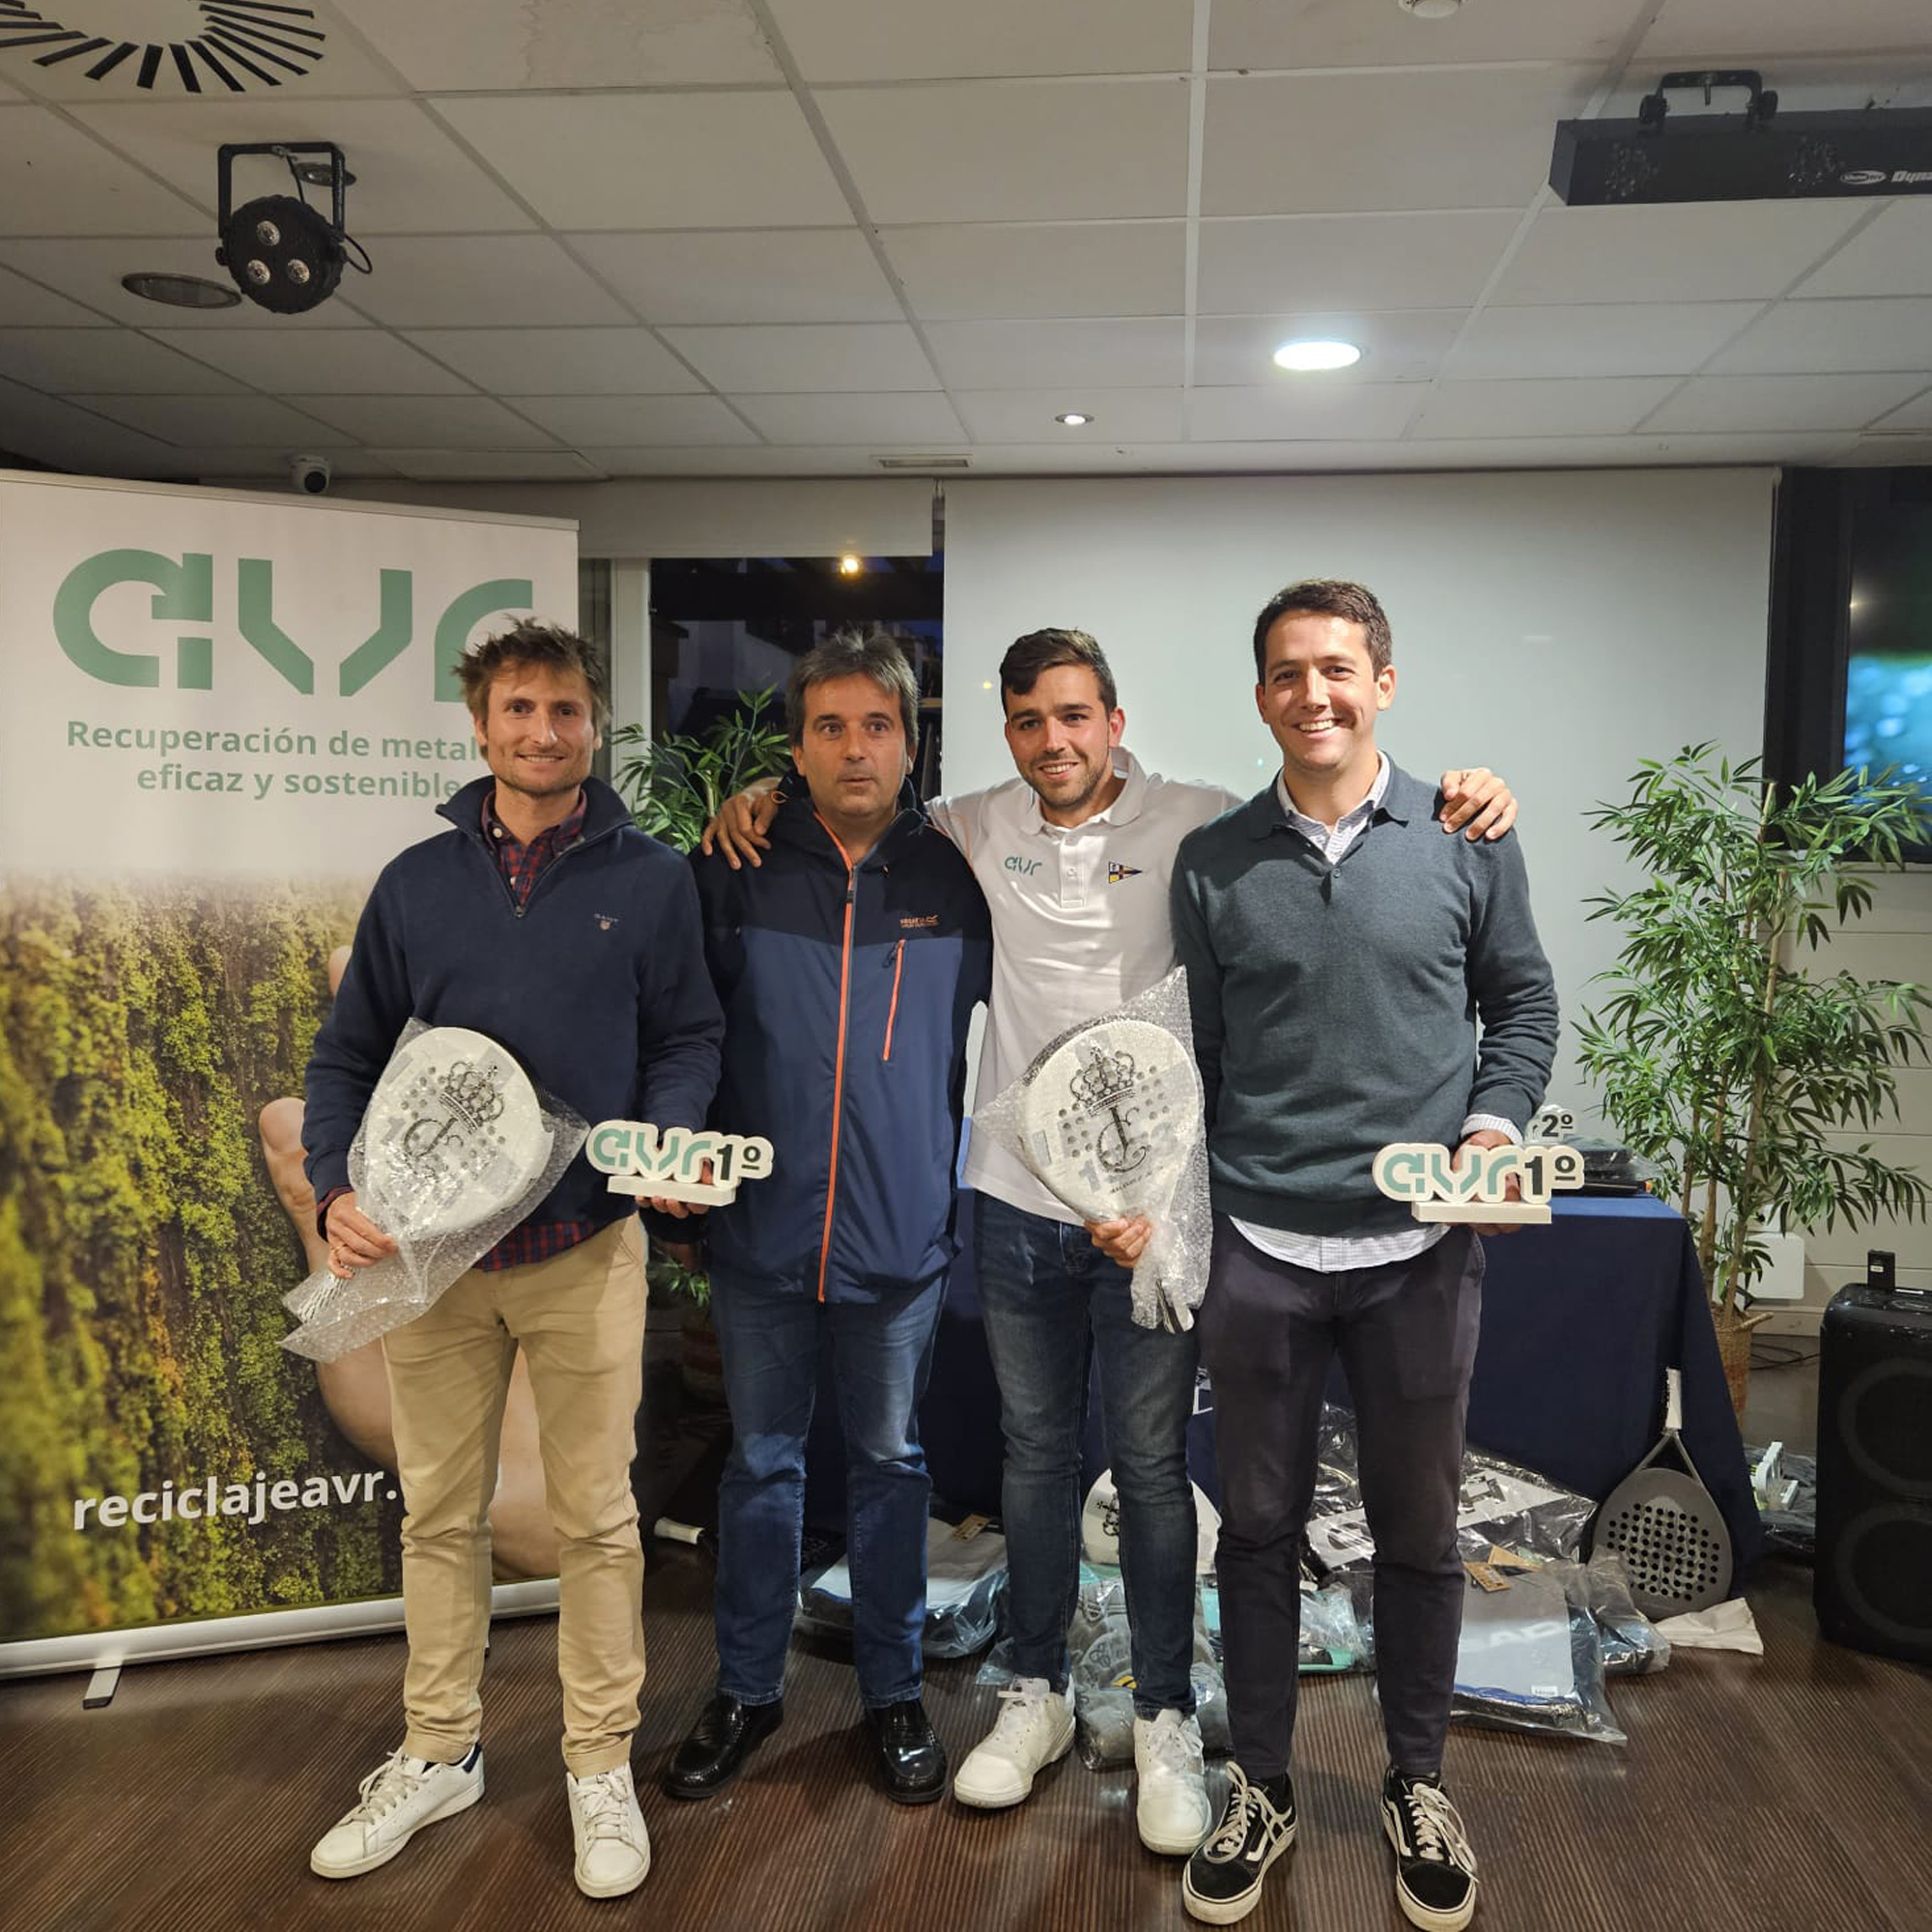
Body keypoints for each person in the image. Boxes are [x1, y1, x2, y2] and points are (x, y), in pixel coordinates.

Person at [704, 627, 1518, 1857]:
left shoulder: (1198, 823)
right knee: (1033, 1455)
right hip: (1014, 1200)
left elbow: (1322, 812)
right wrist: (758, 794)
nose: (1054, 740)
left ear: (1114, 720)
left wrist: (1467, 789)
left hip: (1154, 1215)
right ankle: (1030, 1688)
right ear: (1004, 732)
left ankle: (1162, 1713)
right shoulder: (967, 829)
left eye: (1075, 715)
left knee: (1147, 1465)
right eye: (1029, 720)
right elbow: (851, 804)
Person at [299, 619, 724, 1899]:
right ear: (481, 725)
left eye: (567, 709)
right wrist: (335, 1188)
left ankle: (598, 1761)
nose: (545, 730)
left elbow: (688, 1035)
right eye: (520, 708)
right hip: (430, 1266)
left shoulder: (652, 878)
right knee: (441, 1514)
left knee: (597, 1519)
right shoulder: (415, 883)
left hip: (583, 1250)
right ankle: (441, 1749)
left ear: (594, 723)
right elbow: (345, 1057)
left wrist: (670, 1132)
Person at [1167, 581, 1557, 1930]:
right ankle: (1262, 1783)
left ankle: (1417, 1781)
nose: (1313, 694)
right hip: (1260, 1247)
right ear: (1261, 694)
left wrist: (1491, 1127)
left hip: (1418, 1250)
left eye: (1336, 668)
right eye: (1287, 672)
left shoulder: (1465, 833)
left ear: (1382, 682)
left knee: (1419, 1534)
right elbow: (1197, 1058)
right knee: (1256, 1529)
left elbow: (1522, 1005)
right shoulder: (1213, 861)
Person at [665, 630, 992, 1807]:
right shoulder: (733, 865)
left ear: (910, 741)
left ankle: (893, 1690)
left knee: (893, 1467)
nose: (855, 749)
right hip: (759, 1234)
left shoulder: (960, 877)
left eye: (877, 726)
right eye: (829, 727)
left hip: (898, 1240)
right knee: (759, 1464)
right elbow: (683, 1034)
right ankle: (747, 1688)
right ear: (794, 747)